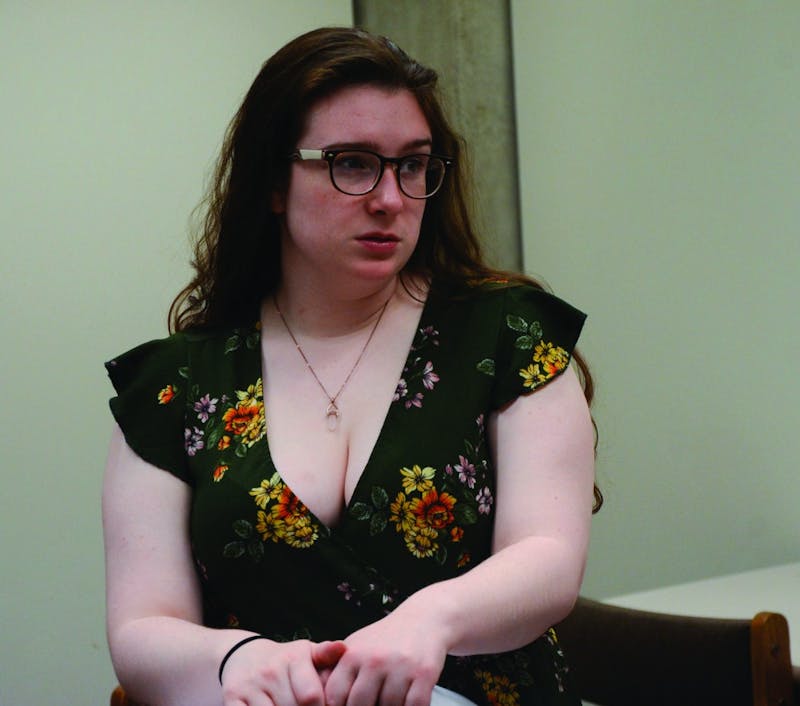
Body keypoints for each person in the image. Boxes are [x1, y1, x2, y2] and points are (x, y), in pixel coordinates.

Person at [103, 26, 599, 706]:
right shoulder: (176, 387)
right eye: (353, 163)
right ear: (274, 181)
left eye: (414, 164)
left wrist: (431, 620)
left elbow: (549, 559)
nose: (391, 198)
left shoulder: (506, 336)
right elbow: (141, 627)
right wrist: (238, 659)